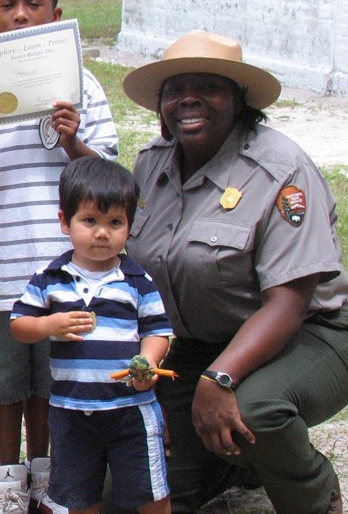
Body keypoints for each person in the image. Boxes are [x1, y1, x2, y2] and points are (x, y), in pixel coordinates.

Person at [119, 30, 348, 514]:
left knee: (257, 410)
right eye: (175, 88)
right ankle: (237, 464)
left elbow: (289, 301)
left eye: (209, 86)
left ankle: (314, 494)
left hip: (311, 333)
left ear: (239, 100)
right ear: (160, 103)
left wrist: (217, 378)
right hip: (204, 344)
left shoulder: (282, 171)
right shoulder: (151, 167)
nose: (189, 99)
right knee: (134, 493)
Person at [0, 0, 118, 514]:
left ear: (57, 15)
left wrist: (72, 142)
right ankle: (8, 480)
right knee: (4, 381)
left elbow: (107, 180)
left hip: (65, 269)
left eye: (34, 3)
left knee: (50, 380)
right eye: (9, 5)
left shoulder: (82, 87)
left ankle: (45, 474)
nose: (21, 15)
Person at [10, 157, 173, 514]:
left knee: (150, 492)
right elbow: (19, 324)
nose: (102, 233)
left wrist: (148, 359)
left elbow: (158, 331)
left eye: (115, 222)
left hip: (130, 409)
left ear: (129, 226)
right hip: (71, 411)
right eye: (90, 221)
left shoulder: (136, 280)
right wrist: (49, 325)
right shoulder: (50, 277)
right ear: (64, 222)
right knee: (78, 496)